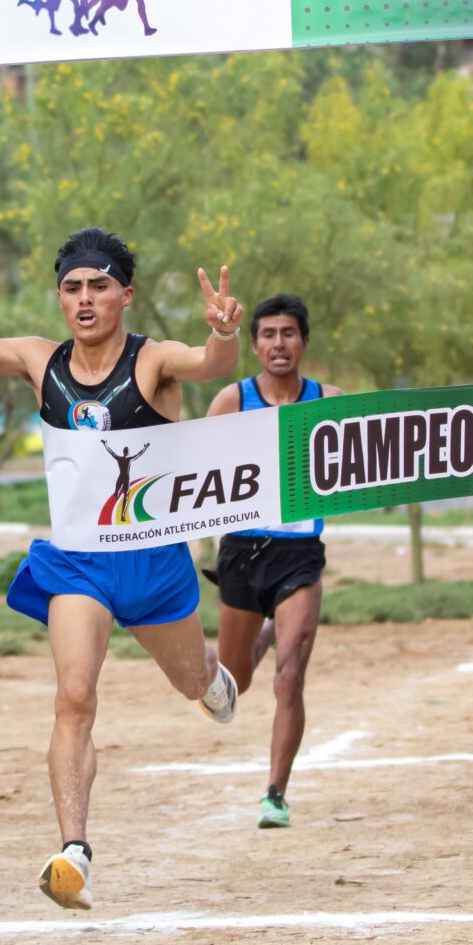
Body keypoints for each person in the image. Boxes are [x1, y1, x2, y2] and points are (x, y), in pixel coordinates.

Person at [0, 208, 242, 910]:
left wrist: (223, 330)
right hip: (79, 563)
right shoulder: (40, 360)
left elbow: (212, 364)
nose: (86, 299)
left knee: (193, 683)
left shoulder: (152, 361)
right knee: (74, 695)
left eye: (100, 285)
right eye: (73, 287)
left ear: (126, 294)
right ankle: (75, 853)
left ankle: (212, 676)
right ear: (60, 297)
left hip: (155, 563)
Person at [204, 293, 342, 830]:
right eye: (268, 335)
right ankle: (259, 636)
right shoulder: (231, 400)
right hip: (242, 552)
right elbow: (194, 475)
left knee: (290, 677)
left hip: (300, 555)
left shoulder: (327, 400)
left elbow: (363, 459)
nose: (278, 344)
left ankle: (275, 794)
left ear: (304, 342)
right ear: (255, 345)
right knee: (236, 680)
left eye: (289, 333)